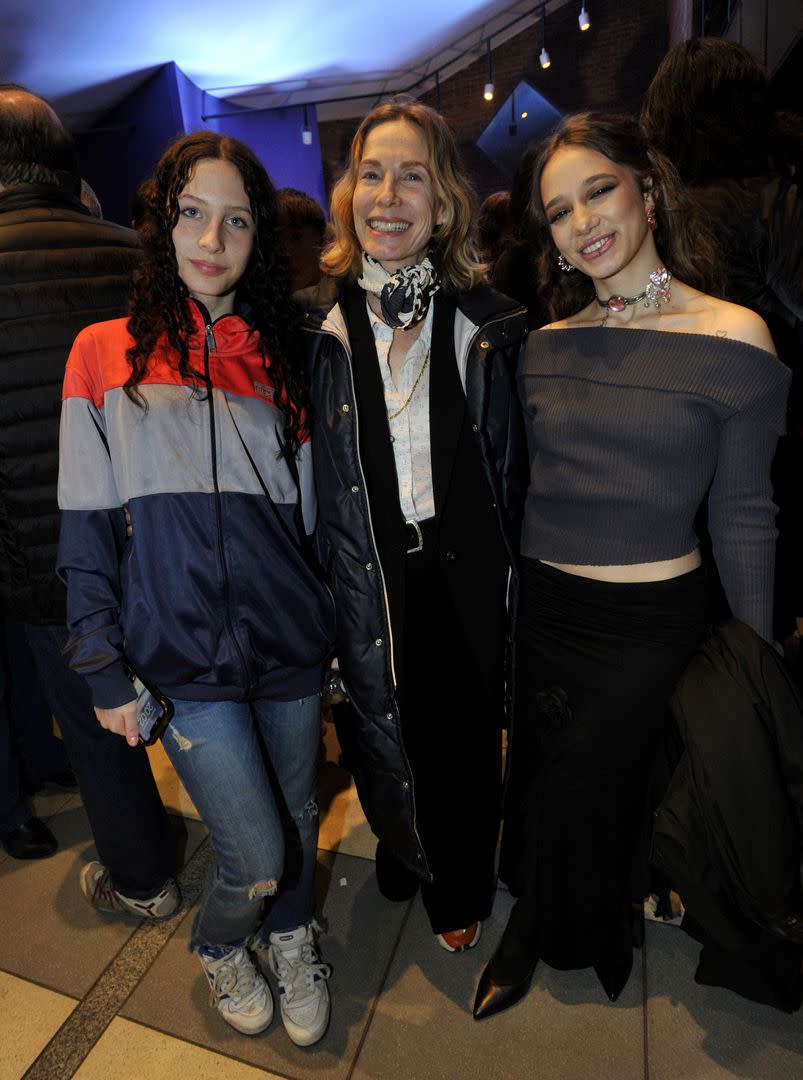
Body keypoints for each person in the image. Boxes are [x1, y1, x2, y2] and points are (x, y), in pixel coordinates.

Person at [473, 112, 790, 1019]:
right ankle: (543, 916)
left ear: (645, 188)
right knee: (538, 775)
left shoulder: (735, 337)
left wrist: (753, 665)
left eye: (597, 191)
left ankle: (557, 925)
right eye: (559, 211)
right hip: (545, 612)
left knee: (594, 783)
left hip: (651, 624)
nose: (583, 222)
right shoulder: (544, 343)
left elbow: (743, 512)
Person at [57, 131, 336, 1045]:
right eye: (191, 213)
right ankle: (223, 944)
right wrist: (101, 659)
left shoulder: (286, 358)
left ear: (260, 241)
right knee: (253, 850)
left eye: (238, 221)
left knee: (296, 822)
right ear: (160, 222)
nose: (211, 239)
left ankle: (293, 936)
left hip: (289, 645)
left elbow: (314, 523)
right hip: (180, 653)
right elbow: (86, 524)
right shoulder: (102, 354)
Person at [300, 98, 528, 953]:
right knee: (375, 729)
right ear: (345, 193)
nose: (387, 195)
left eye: (411, 176)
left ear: (442, 204)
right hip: (363, 569)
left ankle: (459, 882)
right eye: (370, 173)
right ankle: (405, 850)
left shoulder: (490, 322)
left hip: (461, 569)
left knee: (463, 739)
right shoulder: (313, 324)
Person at [0, 83, 177, 899]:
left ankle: (143, 878)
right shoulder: (137, 253)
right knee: (197, 706)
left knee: (95, 728)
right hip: (161, 534)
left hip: (42, 553)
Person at [640, 36, 803, 649]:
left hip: (676, 447)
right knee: (760, 613)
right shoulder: (769, 199)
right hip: (768, 437)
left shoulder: (660, 212)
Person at [276, 187, 327, 292]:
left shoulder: (344, 299)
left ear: (321, 242)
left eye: (296, 237)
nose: (285, 251)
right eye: (277, 239)